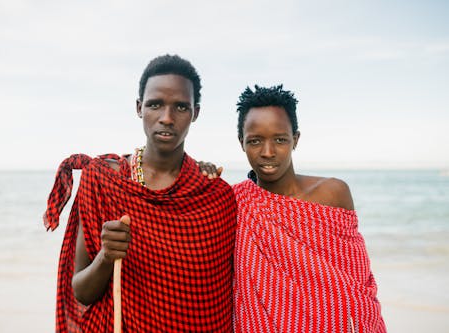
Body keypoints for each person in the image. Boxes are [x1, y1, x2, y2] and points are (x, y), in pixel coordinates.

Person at [43, 55, 237, 332]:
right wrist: (106, 256)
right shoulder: (104, 181)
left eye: (180, 107)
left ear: (195, 112)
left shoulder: (214, 195)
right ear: (139, 107)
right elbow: (81, 292)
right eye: (155, 104)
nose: (167, 118)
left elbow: (227, 292)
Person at [232, 85, 387, 332]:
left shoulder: (333, 193)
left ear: (296, 139)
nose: (268, 152)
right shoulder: (235, 201)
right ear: (242, 142)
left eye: (280, 140)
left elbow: (358, 282)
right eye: (255, 141)